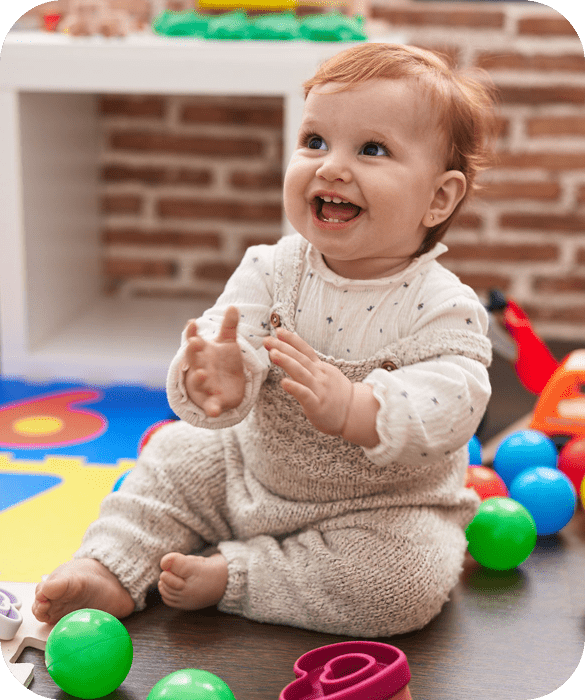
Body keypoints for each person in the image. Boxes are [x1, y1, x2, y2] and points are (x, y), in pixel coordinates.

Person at [33, 43, 498, 637]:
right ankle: (112, 565)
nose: (330, 167)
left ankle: (239, 575)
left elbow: (456, 399)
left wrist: (360, 407)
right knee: (173, 457)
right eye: (315, 142)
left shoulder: (443, 304)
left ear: (439, 198)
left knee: (405, 582)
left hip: (382, 510)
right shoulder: (272, 268)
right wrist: (217, 375)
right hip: (248, 475)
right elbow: (226, 333)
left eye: (373, 149)